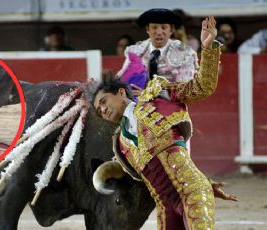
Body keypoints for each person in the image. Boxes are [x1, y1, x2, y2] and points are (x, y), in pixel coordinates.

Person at [92, 16, 237, 229]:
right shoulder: (120, 144)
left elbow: (202, 87)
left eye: (104, 101)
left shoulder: (159, 96)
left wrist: (208, 49)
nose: (103, 109)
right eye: (99, 109)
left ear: (121, 92)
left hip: (191, 192)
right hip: (165, 207)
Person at [117, 8, 198, 85]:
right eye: (154, 27)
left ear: (171, 29)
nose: (159, 32)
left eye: (164, 27)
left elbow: (184, 87)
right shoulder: (136, 53)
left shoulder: (184, 52)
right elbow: (124, 80)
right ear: (148, 29)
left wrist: (147, 93)